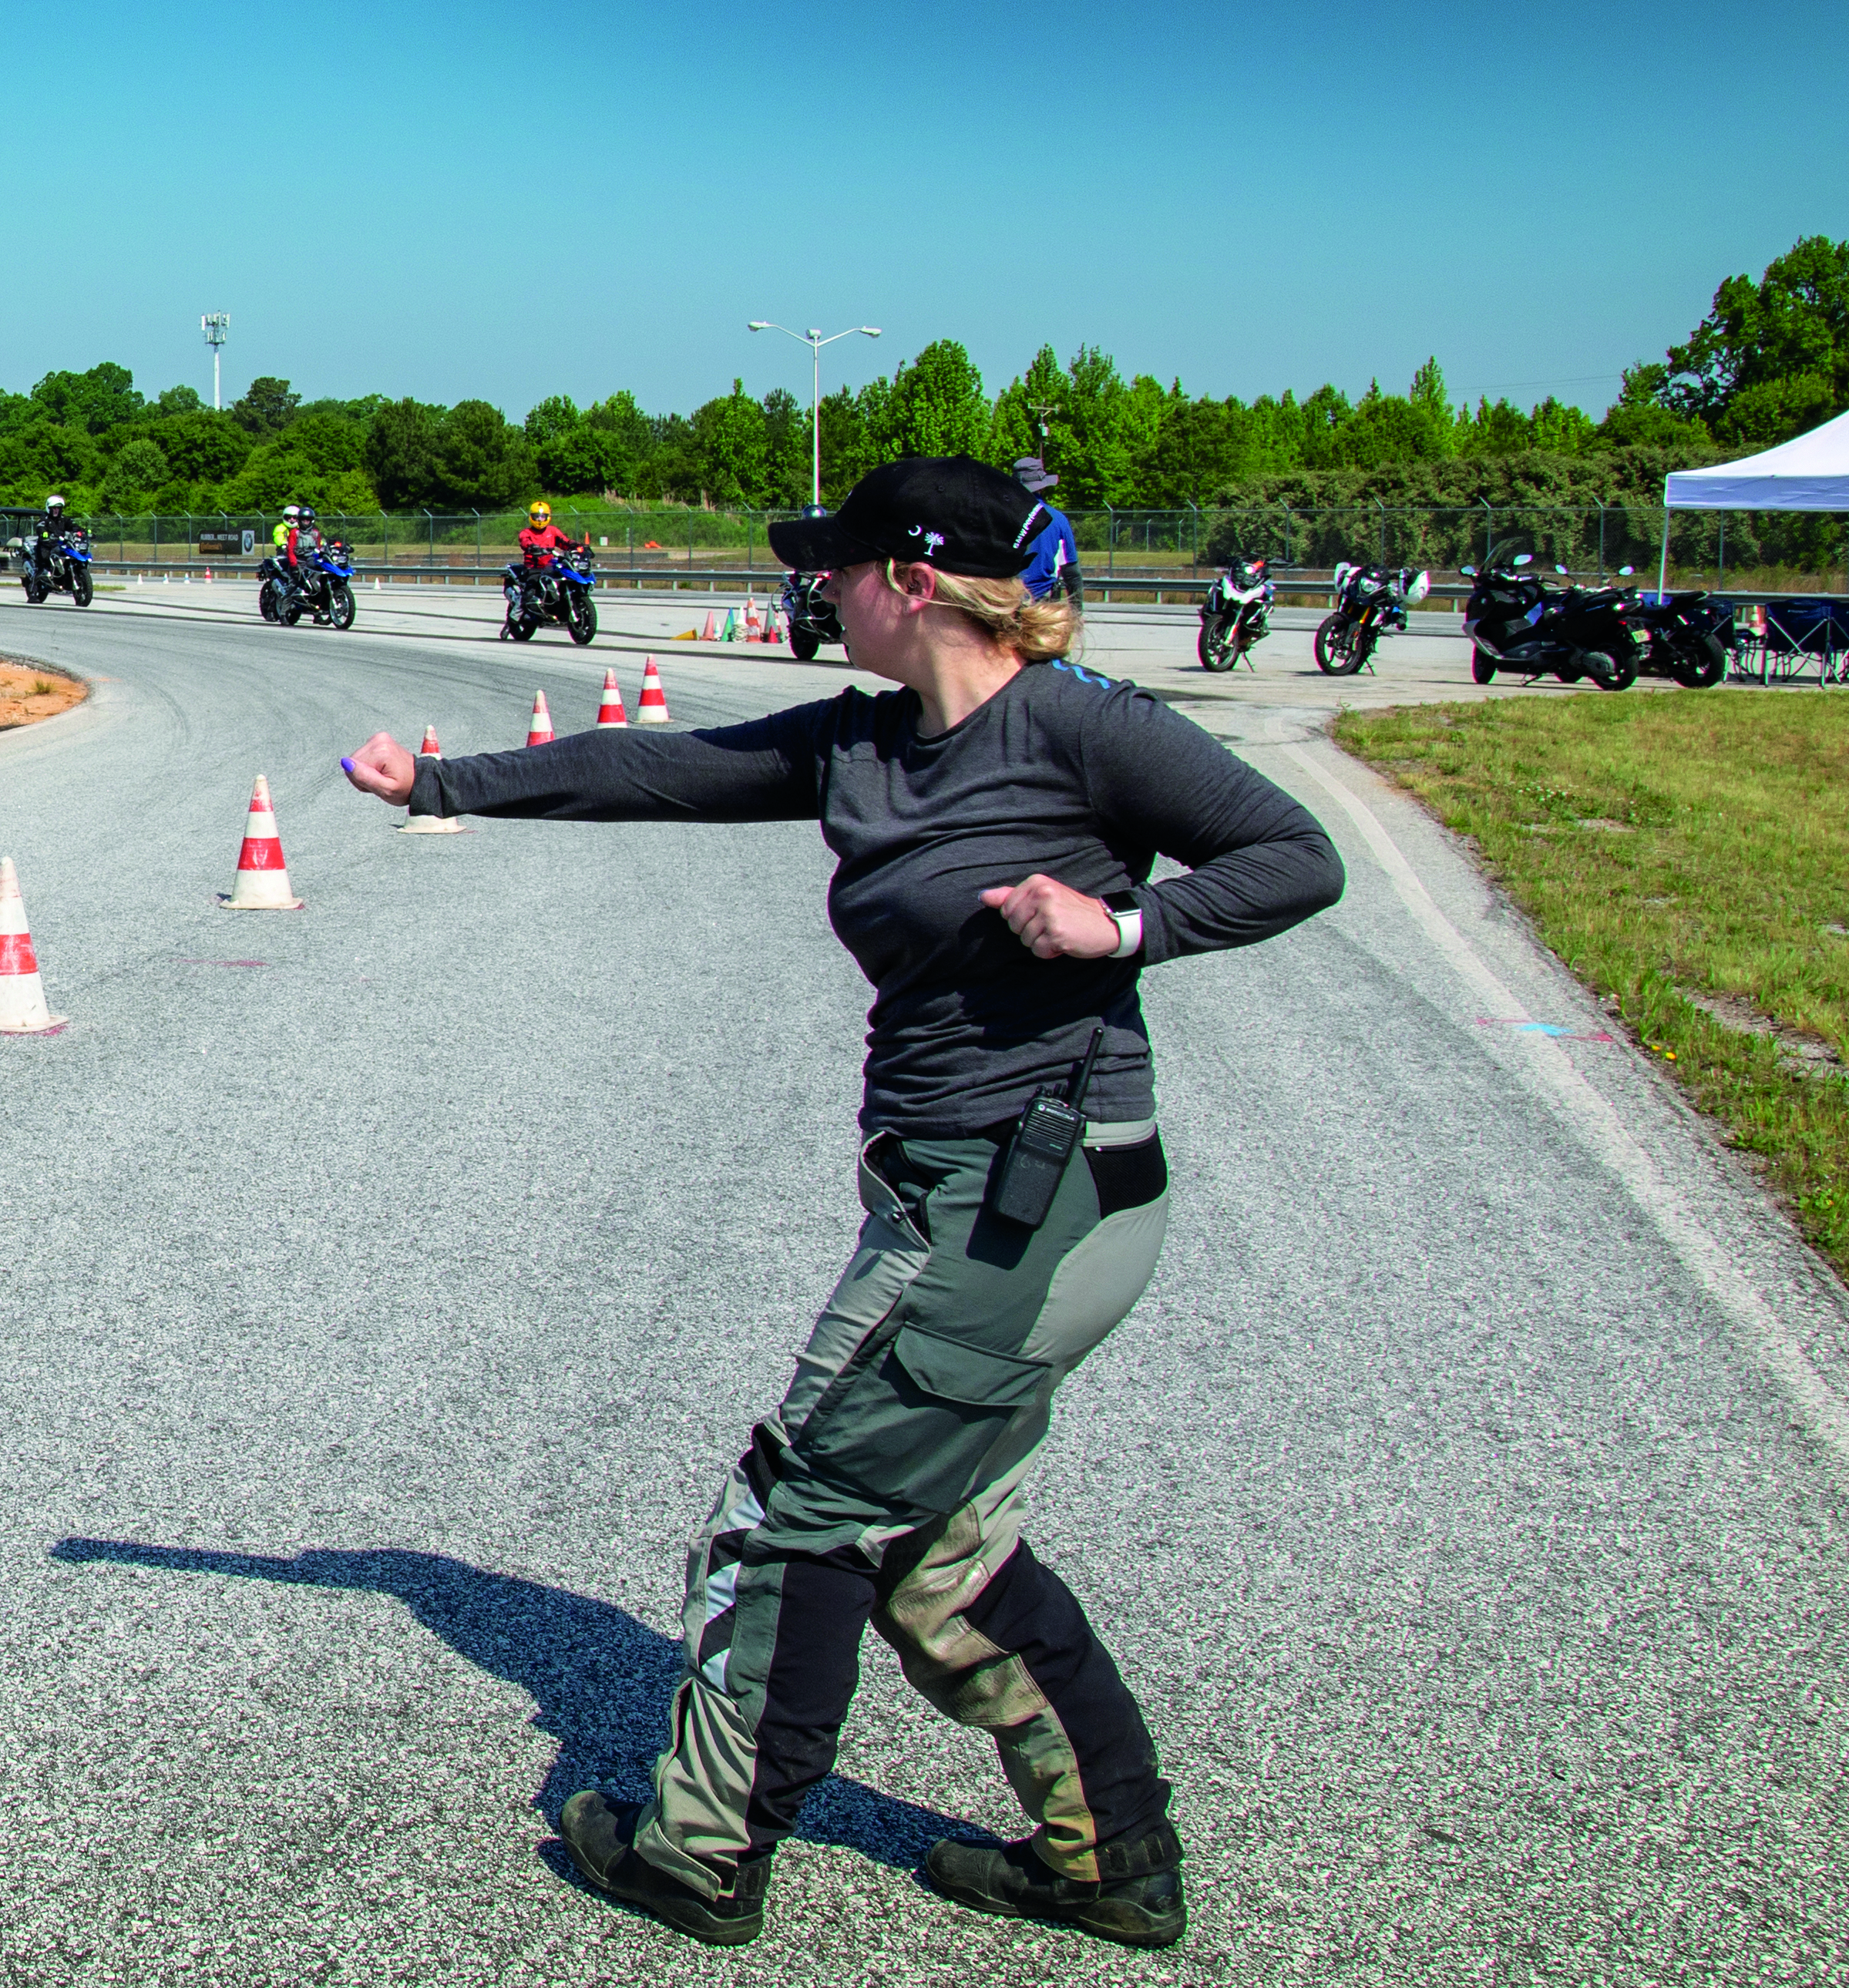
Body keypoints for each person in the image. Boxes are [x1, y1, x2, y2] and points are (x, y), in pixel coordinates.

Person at [335, 455, 1341, 1951]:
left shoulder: (1077, 728)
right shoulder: (868, 745)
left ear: (915, 580)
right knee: (938, 1559)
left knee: (787, 1515)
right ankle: (1105, 1856)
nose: (816, 584)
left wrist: (1117, 922)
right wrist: (441, 784)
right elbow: (662, 770)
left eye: (838, 564)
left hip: (1019, 1206)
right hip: (976, 1204)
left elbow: (1292, 859)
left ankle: (700, 1848)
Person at [1011, 456, 1081, 606]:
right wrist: (1076, 616)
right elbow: (1072, 575)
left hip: (1007, 605)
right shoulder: (1057, 520)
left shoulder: (999, 516)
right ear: (1042, 487)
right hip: (1043, 608)